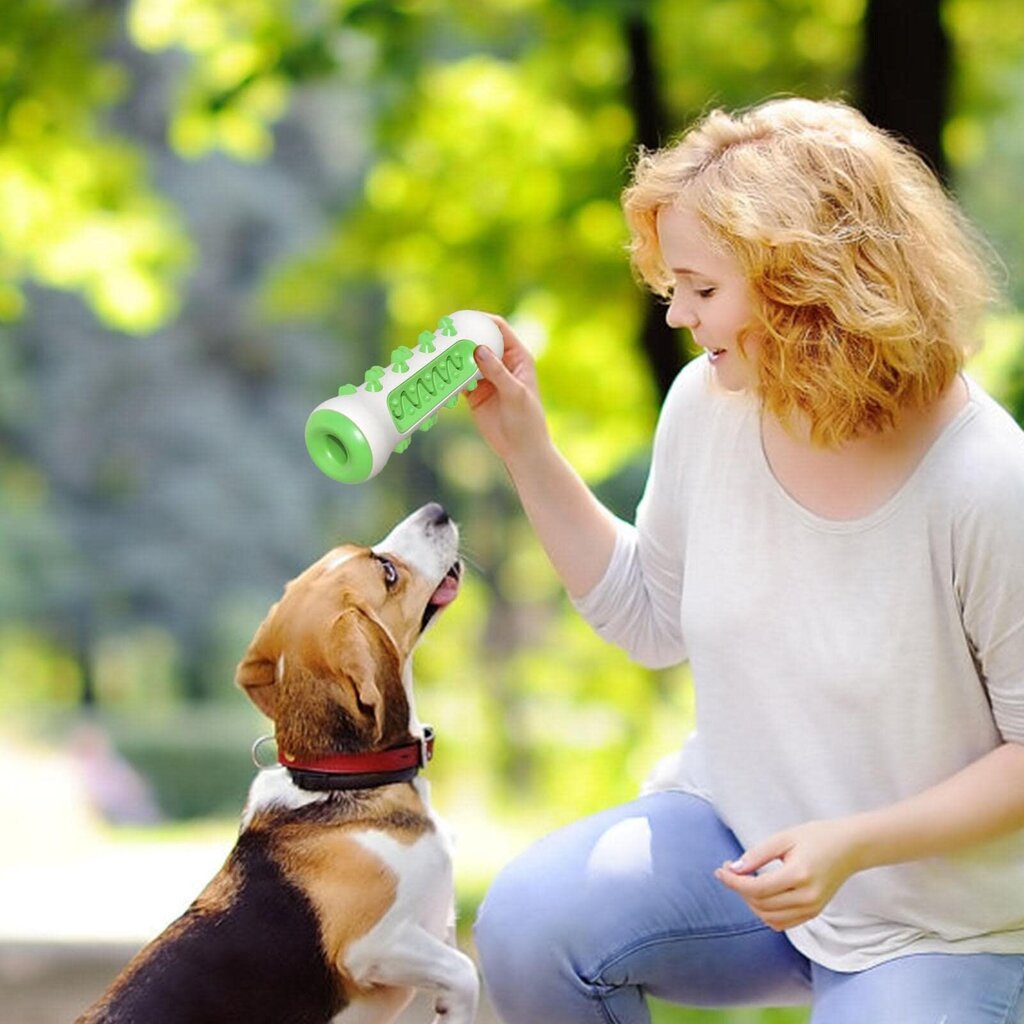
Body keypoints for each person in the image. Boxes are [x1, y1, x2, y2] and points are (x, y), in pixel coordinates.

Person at [465, 97, 1024, 1024]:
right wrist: (526, 445)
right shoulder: (709, 405)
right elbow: (649, 617)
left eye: (702, 288)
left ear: (808, 284)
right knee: (528, 922)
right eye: (671, 288)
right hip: (741, 849)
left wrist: (852, 845)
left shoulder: (987, 480)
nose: (680, 315)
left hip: (944, 923)